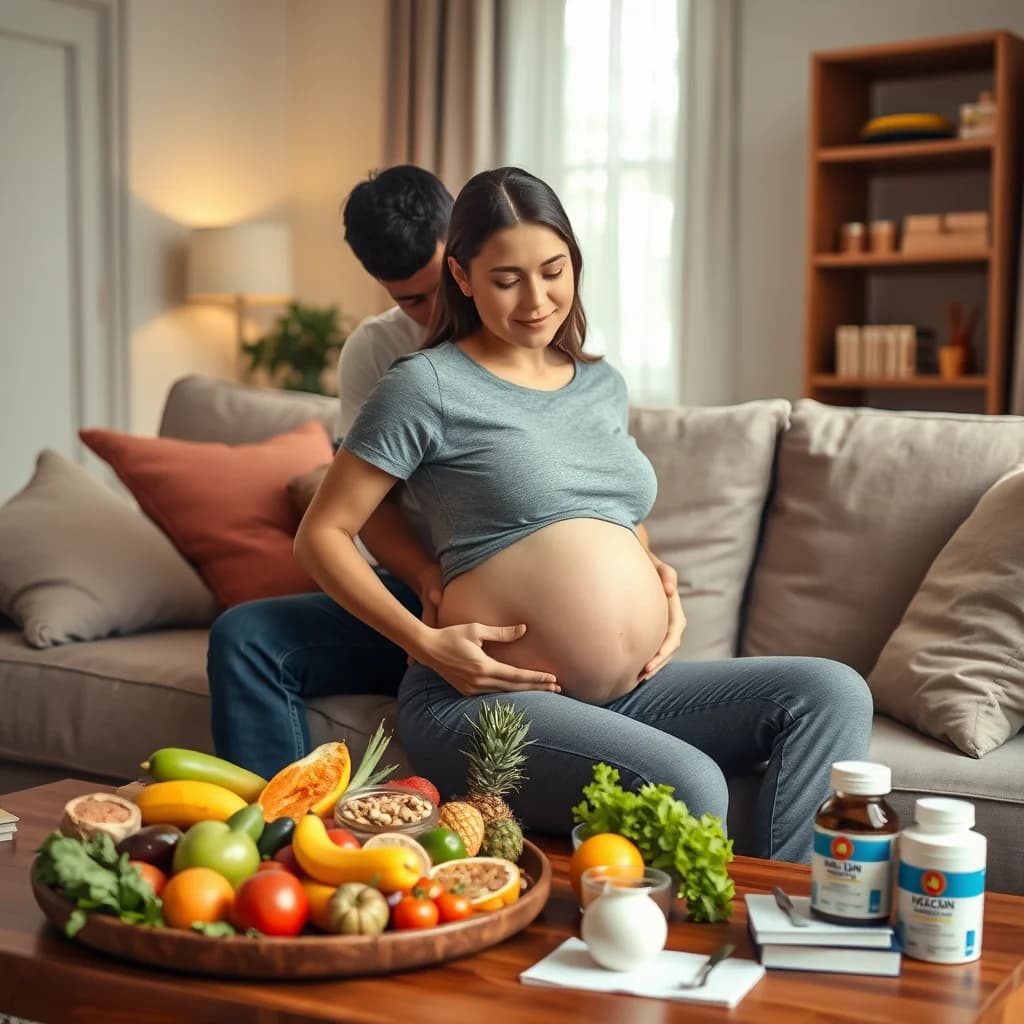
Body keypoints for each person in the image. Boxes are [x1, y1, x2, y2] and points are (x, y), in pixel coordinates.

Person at [294, 166, 873, 863]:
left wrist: (655, 574)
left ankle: (785, 911)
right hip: (482, 700)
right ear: (463, 277)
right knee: (690, 785)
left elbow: (612, 508)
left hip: (625, 695)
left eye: (553, 271)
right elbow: (322, 535)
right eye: (507, 279)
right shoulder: (426, 384)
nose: (536, 300)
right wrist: (424, 640)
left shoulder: (600, 384)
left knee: (832, 692)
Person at [207, 165, 455, 777]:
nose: (438, 313)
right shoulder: (376, 351)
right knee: (245, 637)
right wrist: (426, 581)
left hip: (505, 596)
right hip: (417, 591)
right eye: (413, 301)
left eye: (446, 286)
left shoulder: (529, 326)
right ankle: (284, 826)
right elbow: (367, 508)